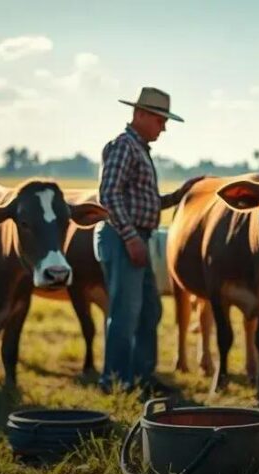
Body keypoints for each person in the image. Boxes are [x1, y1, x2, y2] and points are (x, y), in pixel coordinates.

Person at [95, 87, 202, 393]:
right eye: (159, 120)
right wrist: (130, 239)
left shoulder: (137, 147)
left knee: (149, 310)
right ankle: (116, 381)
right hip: (122, 237)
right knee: (125, 313)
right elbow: (109, 194)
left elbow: (144, 202)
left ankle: (141, 376)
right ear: (139, 115)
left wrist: (180, 195)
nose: (164, 127)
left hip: (134, 236)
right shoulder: (124, 146)